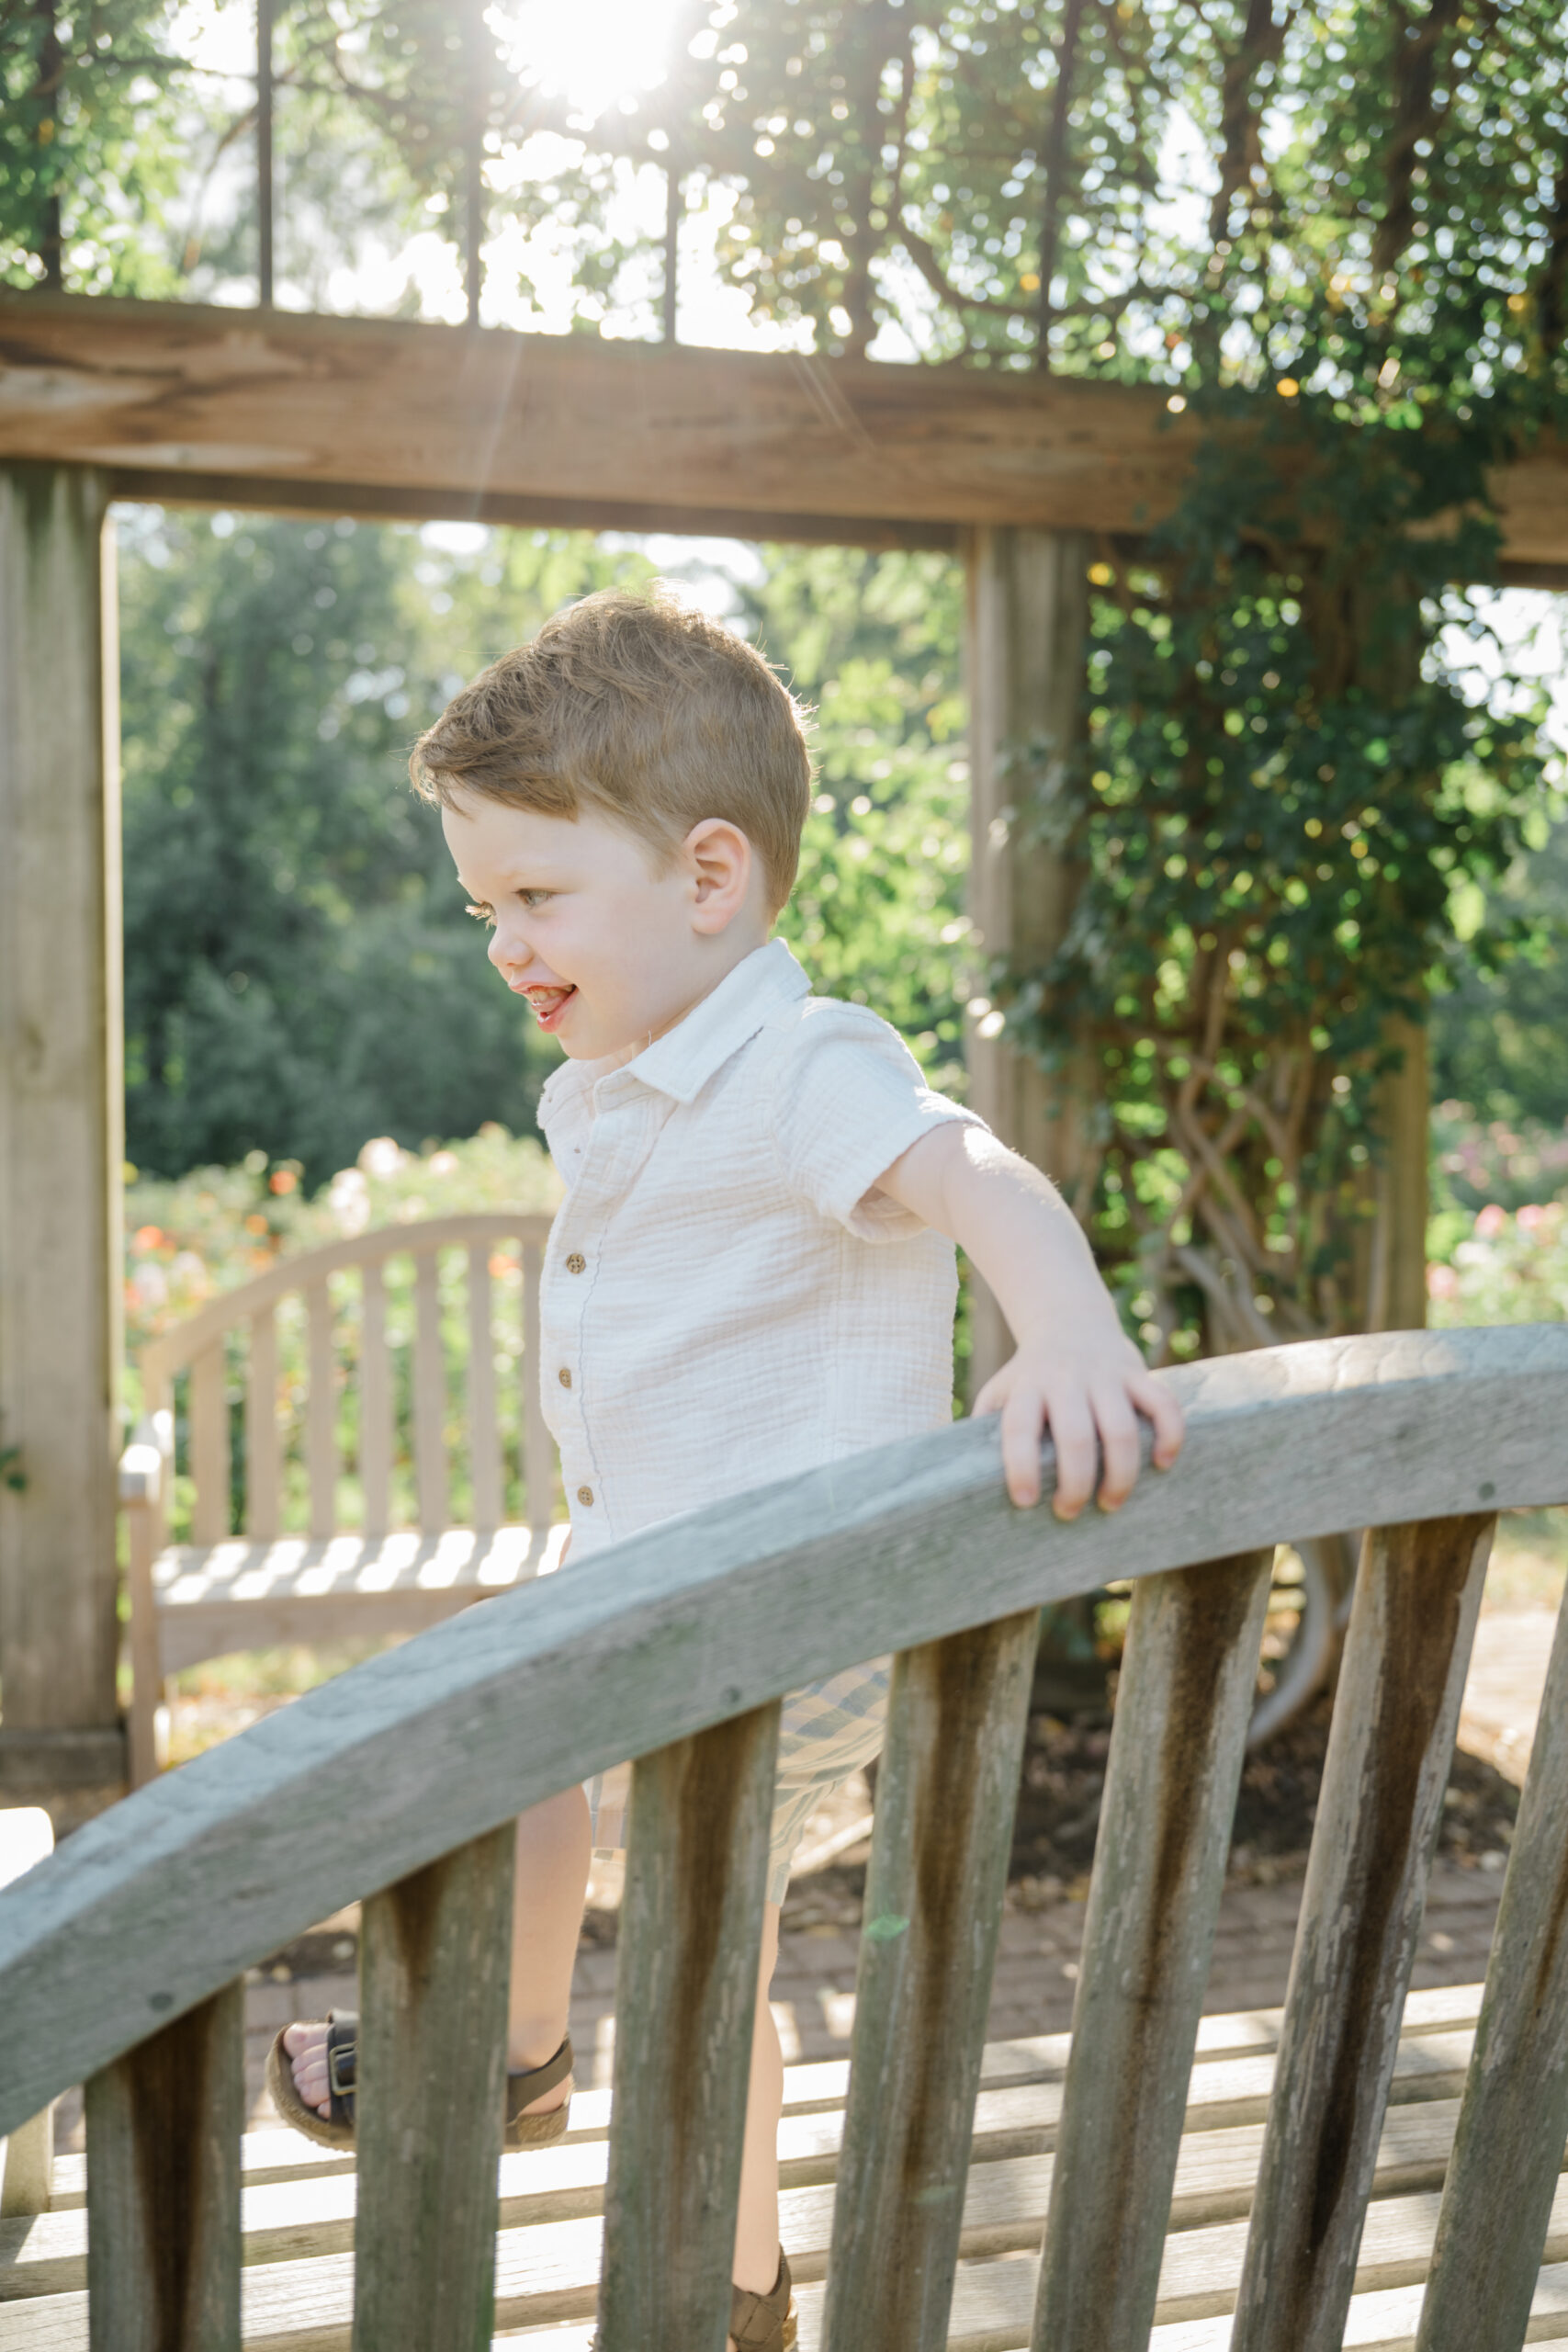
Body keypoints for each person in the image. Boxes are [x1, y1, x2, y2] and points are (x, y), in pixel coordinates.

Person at [268, 584, 1184, 2352]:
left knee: (509, 1719)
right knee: (708, 1955)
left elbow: (971, 1168)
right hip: (690, 1613)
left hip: (779, 1622)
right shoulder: (643, 1077)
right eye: (484, 904)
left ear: (709, 880)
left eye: (538, 896)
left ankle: (520, 2050)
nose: (504, 943)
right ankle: (746, 2282)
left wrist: (1064, 1332)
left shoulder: (800, 1058)